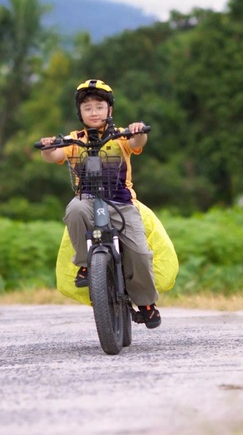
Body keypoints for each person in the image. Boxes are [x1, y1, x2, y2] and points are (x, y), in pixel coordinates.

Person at [38, 79, 161, 329]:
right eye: (87, 108)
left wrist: (138, 132)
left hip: (121, 204)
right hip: (88, 201)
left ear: (109, 110)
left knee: (139, 252)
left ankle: (146, 303)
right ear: (80, 113)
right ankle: (86, 265)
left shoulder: (121, 136)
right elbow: (53, 156)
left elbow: (137, 143)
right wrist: (48, 147)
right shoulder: (74, 139)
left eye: (99, 107)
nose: (93, 112)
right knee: (74, 208)